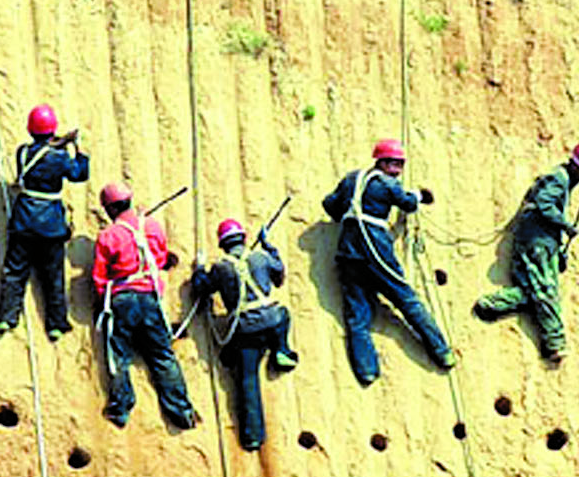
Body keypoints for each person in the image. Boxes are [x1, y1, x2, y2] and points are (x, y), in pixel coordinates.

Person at [321, 139, 455, 387]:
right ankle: (442, 351)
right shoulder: (387, 184)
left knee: (357, 314)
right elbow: (408, 203)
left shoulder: (351, 179)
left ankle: (367, 371)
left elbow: (330, 204)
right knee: (406, 298)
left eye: (400, 164)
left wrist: (348, 214)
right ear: (380, 162)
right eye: (393, 164)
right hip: (375, 249)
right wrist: (418, 195)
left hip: (348, 250)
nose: (397, 170)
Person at [475, 140, 579, 360]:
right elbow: (544, 203)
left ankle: (490, 305)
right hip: (536, 243)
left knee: (533, 292)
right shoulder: (560, 179)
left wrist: (559, 250)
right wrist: (565, 225)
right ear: (578, 167)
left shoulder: (563, 179)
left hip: (542, 242)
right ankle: (555, 343)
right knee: (544, 292)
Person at [90, 183, 198, 430]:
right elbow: (160, 259)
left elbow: (100, 277)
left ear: (110, 208)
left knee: (119, 355)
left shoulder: (108, 235)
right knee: (163, 355)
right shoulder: (152, 226)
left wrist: (101, 302)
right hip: (150, 297)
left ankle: (120, 409)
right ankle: (182, 411)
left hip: (122, 299)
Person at [186, 217, 298, 453]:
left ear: (222, 244)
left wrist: (199, 268)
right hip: (271, 322)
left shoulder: (221, 268)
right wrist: (269, 246)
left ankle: (253, 437)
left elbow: (202, 288)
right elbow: (279, 275)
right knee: (283, 314)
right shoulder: (260, 257)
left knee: (248, 379)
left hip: (246, 331)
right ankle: (281, 350)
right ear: (244, 238)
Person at [0, 103, 89, 339]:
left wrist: (61, 141)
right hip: (50, 223)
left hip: (24, 219)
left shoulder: (22, 152)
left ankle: (5, 318)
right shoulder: (60, 157)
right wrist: (78, 149)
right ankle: (56, 324)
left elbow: (42, 152)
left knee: (14, 271)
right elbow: (79, 174)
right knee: (53, 276)